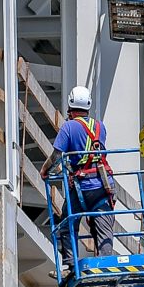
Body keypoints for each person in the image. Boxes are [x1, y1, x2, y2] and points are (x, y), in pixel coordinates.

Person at [46, 85, 116, 258]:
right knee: (104, 227)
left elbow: (56, 155)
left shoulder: (68, 127)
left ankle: (71, 263)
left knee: (67, 222)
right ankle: (106, 264)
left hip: (81, 187)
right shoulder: (100, 127)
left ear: (70, 105)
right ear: (88, 105)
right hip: (103, 184)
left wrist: (44, 170)